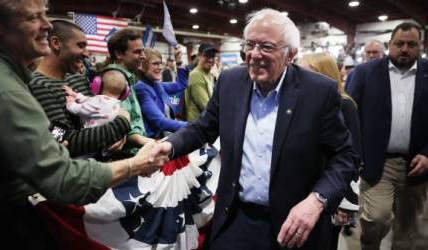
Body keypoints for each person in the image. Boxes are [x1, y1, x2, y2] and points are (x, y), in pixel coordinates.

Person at [155, 8, 358, 250]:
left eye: (267, 47)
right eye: (250, 45)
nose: (254, 55)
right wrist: (168, 146)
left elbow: (345, 156)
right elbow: (202, 128)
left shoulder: (318, 91)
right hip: (236, 219)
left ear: (290, 53)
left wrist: (317, 201)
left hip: (293, 226)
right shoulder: (230, 82)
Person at [0, 0, 169, 249]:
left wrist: (104, 132)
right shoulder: (20, 88)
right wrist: (120, 128)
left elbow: (83, 127)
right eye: (33, 17)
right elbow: (64, 146)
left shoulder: (75, 80)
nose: (46, 24)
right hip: (26, 215)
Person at [350, 22, 428, 250]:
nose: (405, 49)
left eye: (411, 44)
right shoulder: (365, 73)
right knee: (376, 217)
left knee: (408, 226)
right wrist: (356, 155)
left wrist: (427, 153)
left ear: (420, 46)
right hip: (377, 163)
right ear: (389, 45)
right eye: (399, 44)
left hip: (417, 165)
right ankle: (369, 246)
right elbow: (351, 116)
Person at [29, 20, 130, 157]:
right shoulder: (38, 85)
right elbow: (65, 140)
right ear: (56, 43)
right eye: (80, 46)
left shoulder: (77, 78)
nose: (86, 53)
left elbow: (98, 115)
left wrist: (119, 134)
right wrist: (122, 123)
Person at [298, 52, 362, 250]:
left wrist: (346, 203)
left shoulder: (344, 104)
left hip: (332, 191)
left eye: (306, 73)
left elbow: (352, 156)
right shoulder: (305, 103)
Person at [106, 28, 154, 155]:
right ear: (119, 54)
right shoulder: (115, 81)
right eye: (137, 52)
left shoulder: (127, 78)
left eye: (142, 51)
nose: (143, 56)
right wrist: (153, 144)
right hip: (124, 156)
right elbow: (124, 130)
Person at [134, 48, 189, 139]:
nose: (160, 67)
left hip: (163, 137)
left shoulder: (157, 85)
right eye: (155, 64)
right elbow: (160, 122)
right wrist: (192, 125)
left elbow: (181, 85)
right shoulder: (141, 88)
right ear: (143, 66)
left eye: (160, 63)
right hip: (151, 142)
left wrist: (178, 62)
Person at [63, 69, 129, 128]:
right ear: (124, 92)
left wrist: (70, 104)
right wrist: (76, 95)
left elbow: (80, 109)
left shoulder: (100, 101)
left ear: (98, 85)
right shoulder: (115, 103)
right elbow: (89, 100)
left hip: (90, 134)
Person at [184, 43, 219, 121]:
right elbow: (206, 106)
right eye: (206, 55)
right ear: (199, 56)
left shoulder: (209, 74)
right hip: (197, 126)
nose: (210, 59)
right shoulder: (196, 75)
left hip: (205, 123)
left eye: (213, 56)